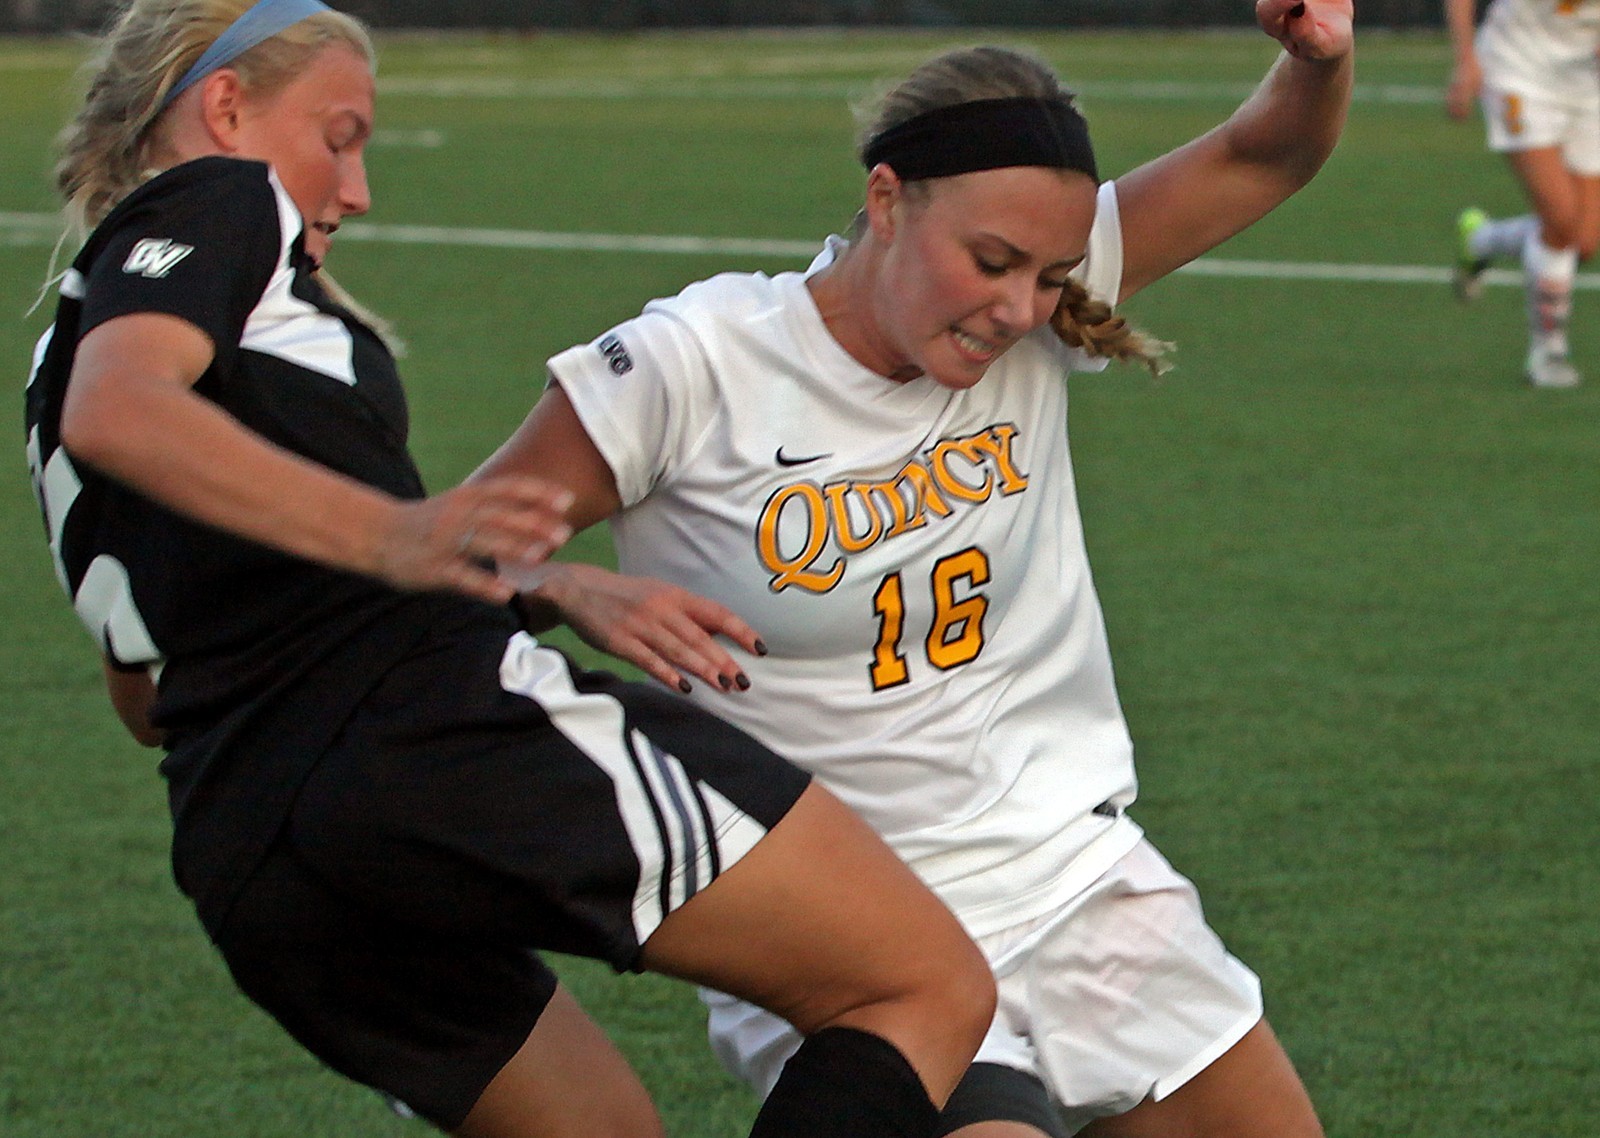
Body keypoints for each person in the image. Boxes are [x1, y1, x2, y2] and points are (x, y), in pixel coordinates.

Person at [22, 2, 1002, 1136]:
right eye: (338, 137)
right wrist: (400, 534)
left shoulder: (61, 350)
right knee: (922, 981)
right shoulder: (220, 198)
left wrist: (544, 583)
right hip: (423, 734)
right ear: (228, 107)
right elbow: (124, 411)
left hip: (251, 849)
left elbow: (147, 689)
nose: (355, 188)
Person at [472, 2, 1354, 1136]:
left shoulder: (1028, 309)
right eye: (989, 262)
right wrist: (560, 585)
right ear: (885, 200)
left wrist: (1313, 57)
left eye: (1049, 275)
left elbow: (1263, 151)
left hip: (1067, 867)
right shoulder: (693, 365)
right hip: (843, 921)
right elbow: (453, 545)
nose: (1018, 310)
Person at [1445, 0, 1600, 388]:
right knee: (1562, 222)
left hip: (1584, 83)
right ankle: (1548, 354)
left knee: (1583, 241)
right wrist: (1466, 60)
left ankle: (1481, 240)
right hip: (1517, 71)